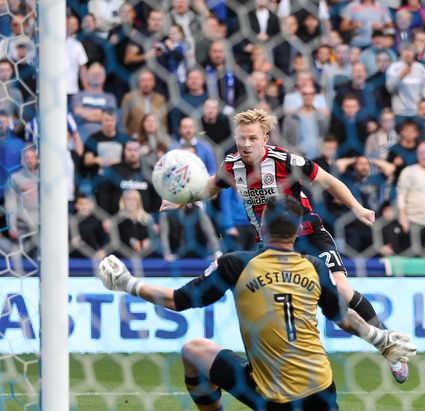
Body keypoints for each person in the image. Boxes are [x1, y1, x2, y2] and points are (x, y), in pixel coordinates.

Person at [97, 196, 417, 411]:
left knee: (193, 351)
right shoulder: (315, 267)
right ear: (297, 233)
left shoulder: (237, 263)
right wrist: (381, 338)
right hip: (318, 387)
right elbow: (343, 317)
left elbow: (179, 301)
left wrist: (128, 283)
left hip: (267, 394)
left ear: (261, 228)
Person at [159, 108, 411, 383]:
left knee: (341, 291)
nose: (245, 144)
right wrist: (181, 198)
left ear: (265, 138)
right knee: (272, 309)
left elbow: (327, 180)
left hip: (308, 234)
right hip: (270, 246)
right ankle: (275, 369)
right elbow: (211, 187)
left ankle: (388, 345)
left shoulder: (285, 160)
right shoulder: (232, 165)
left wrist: (357, 207)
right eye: (241, 138)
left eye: (252, 138)